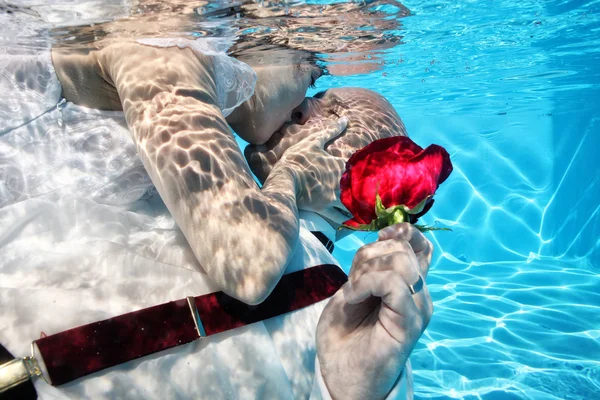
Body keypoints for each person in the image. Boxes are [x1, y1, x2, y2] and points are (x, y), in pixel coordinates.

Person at [0, 36, 433, 399]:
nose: (304, 109)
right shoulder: (200, 134)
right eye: (313, 85)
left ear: (360, 205)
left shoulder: (349, 293)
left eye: (335, 116)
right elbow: (247, 259)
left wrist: (354, 385)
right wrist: (293, 175)